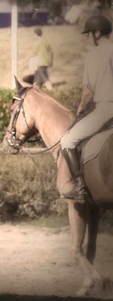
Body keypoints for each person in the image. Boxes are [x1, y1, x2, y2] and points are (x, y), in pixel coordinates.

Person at [60, 15, 113, 202]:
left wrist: (81, 107)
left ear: (97, 33)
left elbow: (88, 90)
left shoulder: (93, 55)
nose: (87, 38)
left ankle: (79, 186)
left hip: (106, 108)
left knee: (67, 141)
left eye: (88, 34)